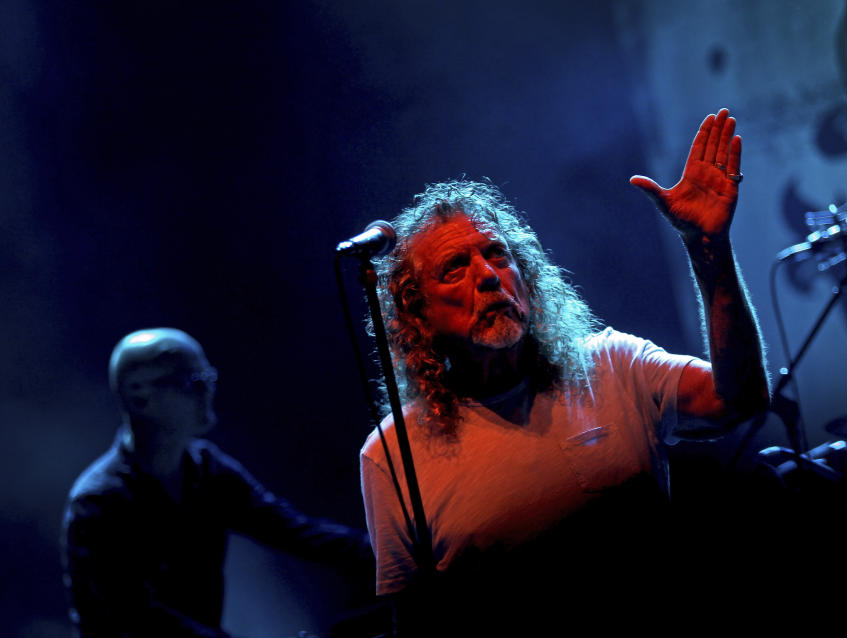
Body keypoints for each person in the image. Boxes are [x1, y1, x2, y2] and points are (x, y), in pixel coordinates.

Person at [359, 109, 770, 634]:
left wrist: (707, 248)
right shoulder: (391, 455)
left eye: (497, 255)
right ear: (417, 315)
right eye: (454, 269)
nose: (488, 276)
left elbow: (738, 401)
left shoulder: (613, 364)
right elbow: (413, 621)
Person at [61, 328, 373, 638]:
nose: (207, 391)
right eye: (193, 382)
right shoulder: (98, 503)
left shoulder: (208, 471)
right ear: (139, 396)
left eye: (208, 378)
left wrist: (386, 552)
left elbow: (294, 532)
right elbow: (135, 615)